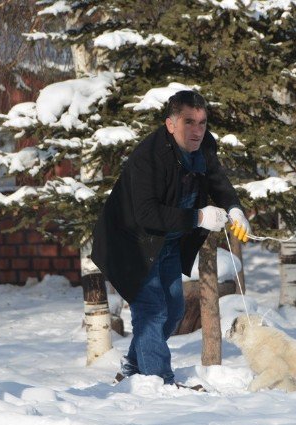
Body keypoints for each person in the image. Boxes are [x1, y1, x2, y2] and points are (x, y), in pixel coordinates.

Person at [91, 90, 251, 386]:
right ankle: (158, 382)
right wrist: (199, 217)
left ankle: (133, 369)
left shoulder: (204, 148)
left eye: (202, 123)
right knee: (152, 310)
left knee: (174, 309)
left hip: (167, 242)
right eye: (189, 122)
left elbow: (218, 181)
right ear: (170, 124)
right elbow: (146, 214)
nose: (197, 130)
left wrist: (234, 209)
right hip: (131, 244)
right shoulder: (148, 158)